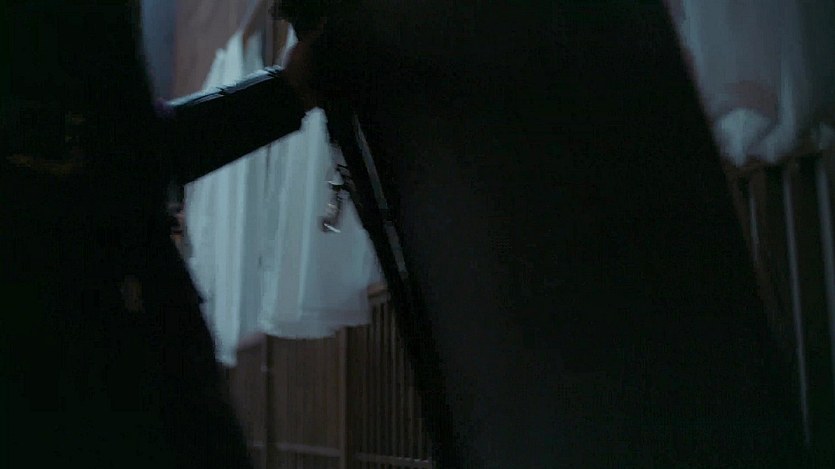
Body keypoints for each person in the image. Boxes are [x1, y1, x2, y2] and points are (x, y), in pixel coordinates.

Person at [0, 2, 325, 467]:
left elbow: (123, 145)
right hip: (76, 340)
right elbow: (115, 148)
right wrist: (283, 94)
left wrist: (284, 93)